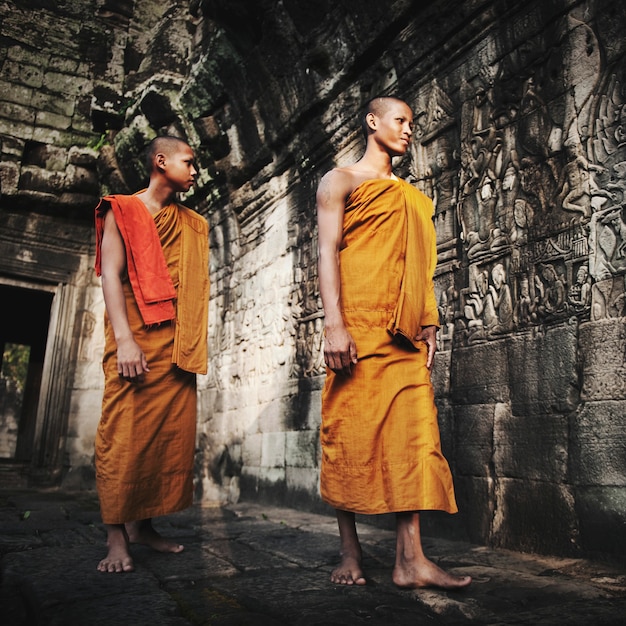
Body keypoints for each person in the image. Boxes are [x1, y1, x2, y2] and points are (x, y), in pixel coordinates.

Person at [316, 96, 472, 590]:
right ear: (372, 121)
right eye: (400, 120)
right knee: (349, 434)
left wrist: (428, 322)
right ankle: (350, 551)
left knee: (413, 437)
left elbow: (419, 267)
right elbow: (326, 253)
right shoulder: (340, 180)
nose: (408, 130)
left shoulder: (410, 196)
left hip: (403, 332)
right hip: (357, 327)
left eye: (412, 122)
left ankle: (411, 560)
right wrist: (333, 325)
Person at [93, 136, 209, 573]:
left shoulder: (192, 223)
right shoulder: (121, 209)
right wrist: (124, 340)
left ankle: (144, 525)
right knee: (122, 434)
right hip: (135, 339)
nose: (195, 171)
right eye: (188, 162)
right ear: (161, 162)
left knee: (165, 437)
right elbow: (110, 276)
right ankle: (116, 536)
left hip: (175, 346)